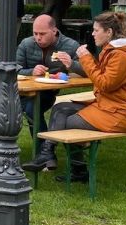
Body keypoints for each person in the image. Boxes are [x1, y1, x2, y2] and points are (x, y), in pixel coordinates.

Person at [23, 12, 126, 182]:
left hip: (123, 114)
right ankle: (49, 154)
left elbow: (104, 83)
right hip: (110, 107)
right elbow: (101, 76)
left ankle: (72, 166)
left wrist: (86, 58)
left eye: (96, 30)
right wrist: (75, 63)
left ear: (109, 32)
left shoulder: (121, 55)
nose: (93, 34)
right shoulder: (113, 51)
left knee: (69, 122)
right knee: (60, 108)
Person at [17, 14, 84, 170]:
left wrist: (71, 64)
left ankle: (44, 153)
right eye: (35, 33)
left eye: (42, 34)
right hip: (22, 92)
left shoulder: (70, 45)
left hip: (47, 92)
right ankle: (46, 155)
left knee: (32, 109)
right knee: (5, 105)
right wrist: (30, 72)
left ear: (54, 31)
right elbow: (13, 67)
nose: (38, 38)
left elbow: (89, 70)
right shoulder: (26, 44)